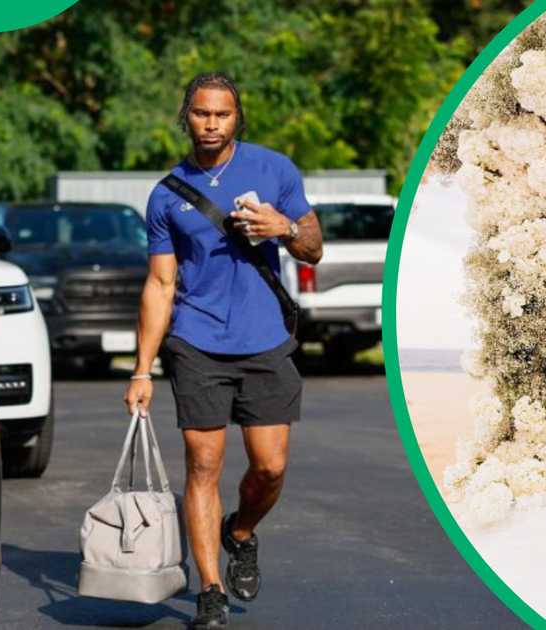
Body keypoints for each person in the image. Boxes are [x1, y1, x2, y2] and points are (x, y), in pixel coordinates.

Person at [123, 71, 324, 629]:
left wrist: (283, 226)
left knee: (271, 467)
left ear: (237, 118)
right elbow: (160, 285)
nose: (211, 124)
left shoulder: (274, 169)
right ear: (185, 116)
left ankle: (239, 532)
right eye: (201, 114)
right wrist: (142, 370)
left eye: (222, 115)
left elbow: (313, 249)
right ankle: (209, 591)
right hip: (197, 343)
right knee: (203, 467)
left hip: (265, 341)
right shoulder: (167, 195)